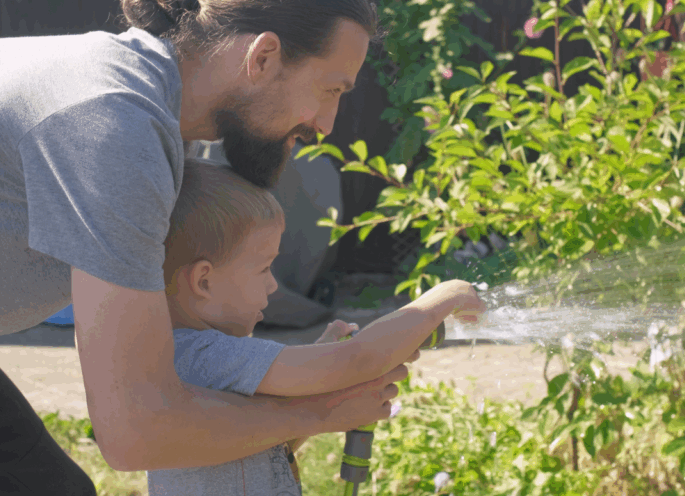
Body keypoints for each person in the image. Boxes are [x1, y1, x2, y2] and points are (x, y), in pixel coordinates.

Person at [0, 0, 489, 493]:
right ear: (263, 57)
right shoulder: (113, 122)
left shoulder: (161, 119)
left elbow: (156, 379)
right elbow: (136, 430)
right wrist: (320, 410)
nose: (326, 124)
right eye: (330, 90)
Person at [146, 158, 485, 496]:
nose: (273, 286)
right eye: (264, 269)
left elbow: (267, 443)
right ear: (204, 281)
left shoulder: (190, 358)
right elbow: (356, 359)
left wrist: (322, 360)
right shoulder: (208, 357)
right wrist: (440, 300)